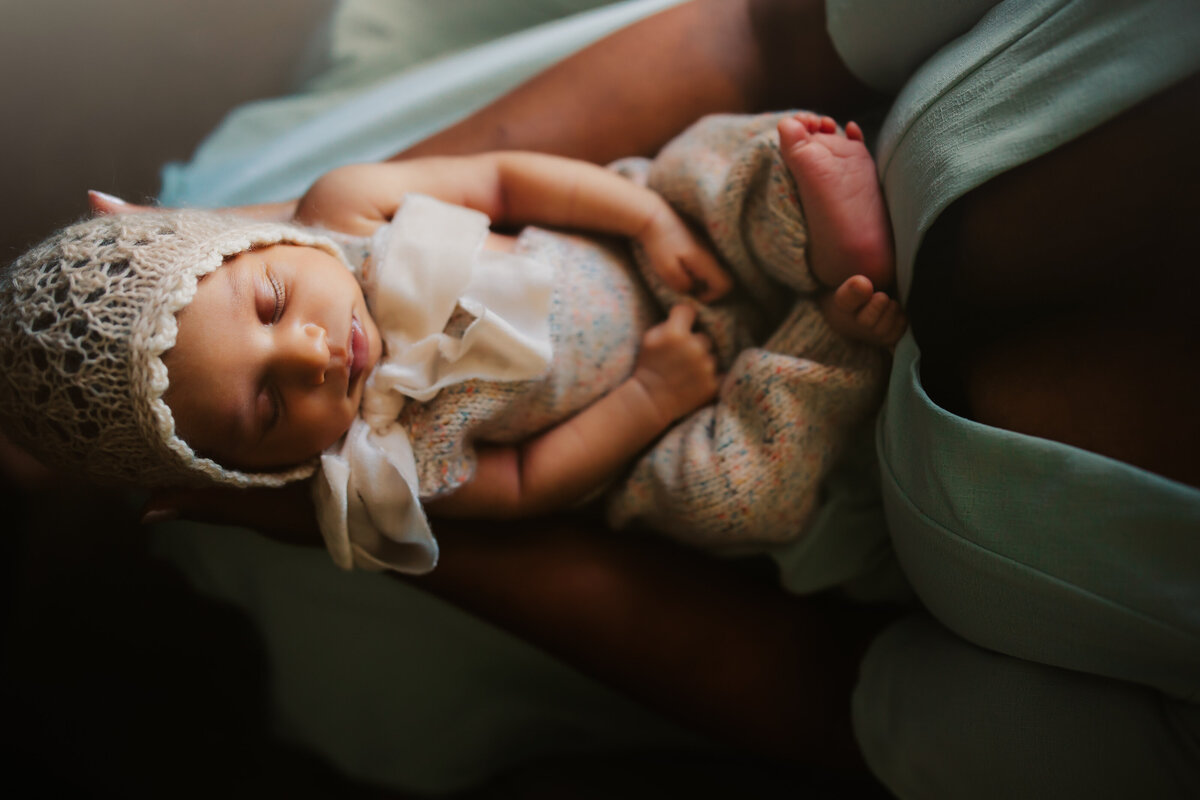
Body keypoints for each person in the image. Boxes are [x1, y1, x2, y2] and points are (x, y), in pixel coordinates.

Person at [1, 110, 904, 577]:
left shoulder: (347, 208)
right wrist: (653, 400)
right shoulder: (383, 466)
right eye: (269, 405)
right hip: (677, 409)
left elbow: (502, 178)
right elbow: (524, 486)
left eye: (272, 302)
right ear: (245, 471)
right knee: (728, 503)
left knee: (713, 164)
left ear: (251, 239)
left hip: (655, 253)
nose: (312, 353)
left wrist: (645, 217)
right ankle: (826, 334)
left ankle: (816, 231)